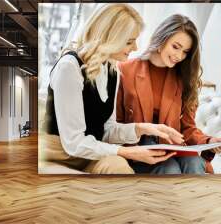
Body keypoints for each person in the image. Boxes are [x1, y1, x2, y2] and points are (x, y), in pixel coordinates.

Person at [42, 4, 184, 174]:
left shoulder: (112, 70)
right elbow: (74, 142)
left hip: (89, 154)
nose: (136, 48)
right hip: (59, 153)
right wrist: (127, 152)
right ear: (109, 38)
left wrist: (144, 128)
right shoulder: (69, 67)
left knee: (119, 168)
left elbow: (107, 130)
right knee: (119, 162)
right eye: (129, 42)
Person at [117, 14, 221, 175]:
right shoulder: (125, 70)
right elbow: (115, 123)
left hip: (173, 148)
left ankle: (199, 200)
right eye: (176, 47)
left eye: (185, 52)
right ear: (161, 39)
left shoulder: (183, 78)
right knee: (170, 169)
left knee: (195, 162)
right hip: (138, 149)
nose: (179, 56)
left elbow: (188, 128)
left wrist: (209, 141)